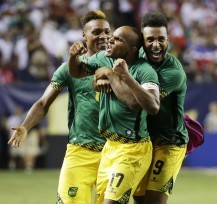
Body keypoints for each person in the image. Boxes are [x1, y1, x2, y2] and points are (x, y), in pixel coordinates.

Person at [8, 10, 111, 204]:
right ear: (84, 35)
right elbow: (43, 102)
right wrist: (25, 126)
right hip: (80, 151)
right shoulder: (68, 69)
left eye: (107, 32)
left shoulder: (121, 65)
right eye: (96, 32)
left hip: (113, 152)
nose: (104, 36)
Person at [68, 26, 160, 204]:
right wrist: (73, 57)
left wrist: (115, 75)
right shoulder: (103, 57)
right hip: (109, 147)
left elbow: (146, 105)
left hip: (132, 149)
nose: (110, 40)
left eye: (118, 40)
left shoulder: (144, 70)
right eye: (112, 36)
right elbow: (77, 71)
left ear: (132, 49)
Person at [133, 12, 189, 204]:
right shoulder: (137, 57)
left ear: (168, 39)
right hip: (144, 141)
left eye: (161, 39)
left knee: (154, 200)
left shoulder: (173, 72)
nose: (156, 44)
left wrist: (119, 78)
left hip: (169, 141)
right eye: (150, 39)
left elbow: (146, 103)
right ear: (142, 39)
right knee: (139, 199)